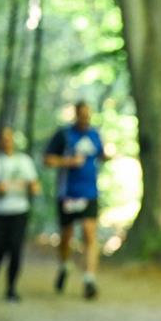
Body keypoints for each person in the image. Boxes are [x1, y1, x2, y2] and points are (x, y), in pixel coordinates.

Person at [44, 100, 110, 300]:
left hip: (90, 193)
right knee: (67, 235)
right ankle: (64, 265)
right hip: (67, 193)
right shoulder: (64, 135)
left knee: (90, 233)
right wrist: (68, 162)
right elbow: (47, 159)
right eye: (82, 115)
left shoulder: (95, 135)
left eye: (88, 115)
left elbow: (101, 155)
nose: (85, 119)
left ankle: (89, 279)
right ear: (76, 115)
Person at [0, 125, 40, 302]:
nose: (6, 141)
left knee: (15, 249)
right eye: (3, 138)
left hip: (19, 211)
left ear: (13, 139)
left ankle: (11, 288)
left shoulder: (24, 161)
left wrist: (32, 188)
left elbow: (34, 185)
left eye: (9, 138)